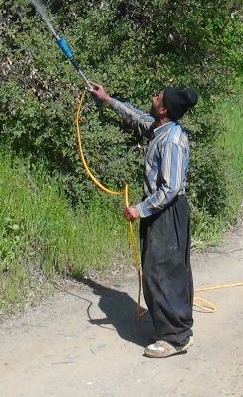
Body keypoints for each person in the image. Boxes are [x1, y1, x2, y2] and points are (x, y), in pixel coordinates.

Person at [87, 82, 198, 358]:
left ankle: (175, 338)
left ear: (164, 109)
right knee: (158, 271)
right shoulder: (160, 129)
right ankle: (173, 328)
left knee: (164, 273)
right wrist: (107, 99)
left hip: (168, 212)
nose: (153, 96)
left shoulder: (171, 140)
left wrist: (140, 209)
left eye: (158, 96)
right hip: (160, 211)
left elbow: (170, 189)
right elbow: (137, 117)